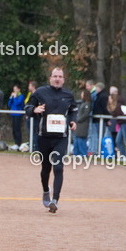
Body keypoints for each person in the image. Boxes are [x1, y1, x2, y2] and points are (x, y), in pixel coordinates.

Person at [25, 67, 78, 213]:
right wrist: (34, 110)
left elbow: (74, 110)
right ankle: (45, 191)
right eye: (55, 76)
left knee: (58, 167)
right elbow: (28, 106)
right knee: (45, 169)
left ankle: (55, 200)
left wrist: (73, 121)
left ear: (64, 79)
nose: (57, 79)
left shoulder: (68, 94)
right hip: (44, 137)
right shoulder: (40, 92)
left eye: (60, 76)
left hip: (61, 138)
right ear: (50, 78)